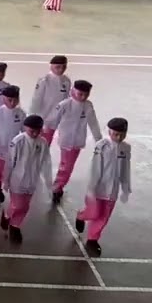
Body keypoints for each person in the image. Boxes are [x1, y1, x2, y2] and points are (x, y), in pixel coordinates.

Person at [75, 117, 132, 256]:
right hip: (98, 187)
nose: (118, 137)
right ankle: (81, 216)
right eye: (115, 134)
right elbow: (95, 167)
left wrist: (126, 189)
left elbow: (125, 169)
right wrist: (91, 188)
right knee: (94, 212)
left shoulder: (126, 148)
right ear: (109, 131)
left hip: (113, 190)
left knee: (104, 216)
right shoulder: (102, 146)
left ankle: (92, 239)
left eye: (122, 134)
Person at [44, 79, 103, 203]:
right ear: (73, 91)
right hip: (66, 139)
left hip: (77, 141)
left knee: (66, 165)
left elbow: (93, 123)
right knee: (66, 166)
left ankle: (58, 186)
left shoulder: (88, 106)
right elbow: (52, 120)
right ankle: (57, 187)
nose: (83, 97)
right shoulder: (65, 104)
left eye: (86, 94)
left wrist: (99, 140)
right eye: (80, 94)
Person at [0, 115, 52, 243]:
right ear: (25, 128)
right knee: (17, 205)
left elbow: (46, 162)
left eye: (37, 131)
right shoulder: (18, 141)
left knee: (25, 206)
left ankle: (15, 225)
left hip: (32, 180)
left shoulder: (43, 143)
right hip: (17, 179)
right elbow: (10, 162)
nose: (34, 134)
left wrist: (48, 180)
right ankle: (7, 215)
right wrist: (6, 179)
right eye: (31, 130)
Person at [0, 85, 26, 203]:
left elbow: (24, 131)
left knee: (8, 170)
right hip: (0, 146)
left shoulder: (21, 114)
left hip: (13, 148)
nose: (12, 103)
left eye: (15, 100)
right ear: (3, 99)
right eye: (9, 100)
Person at [31, 55, 71, 124]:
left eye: (64, 67)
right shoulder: (44, 80)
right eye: (58, 67)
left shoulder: (66, 81)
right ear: (51, 66)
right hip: (45, 118)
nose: (61, 70)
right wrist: (33, 116)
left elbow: (67, 99)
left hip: (59, 118)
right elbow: (36, 99)